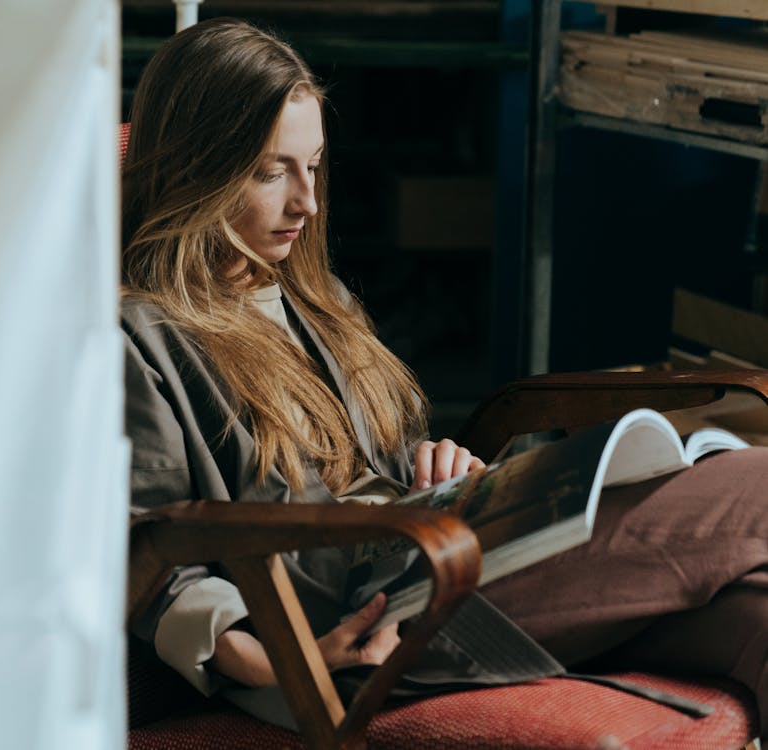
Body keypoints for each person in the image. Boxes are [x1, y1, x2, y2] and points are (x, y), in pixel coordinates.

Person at [121, 16, 768, 736]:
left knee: (757, 611)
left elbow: (378, 458)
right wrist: (275, 658)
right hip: (370, 612)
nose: (305, 201)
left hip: (434, 547)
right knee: (756, 484)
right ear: (193, 167)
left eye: (313, 166)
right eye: (270, 171)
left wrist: (437, 462)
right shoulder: (139, 339)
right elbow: (149, 553)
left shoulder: (313, 297)